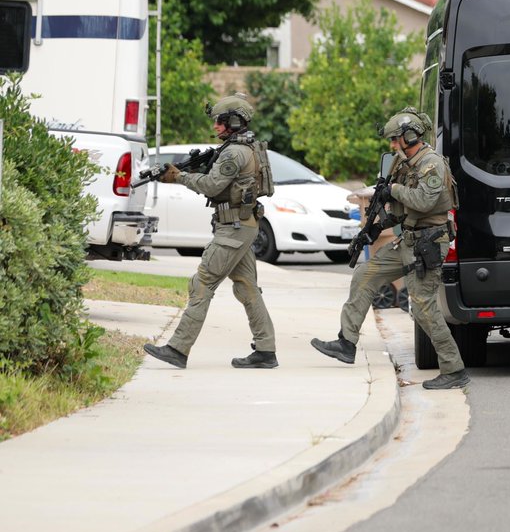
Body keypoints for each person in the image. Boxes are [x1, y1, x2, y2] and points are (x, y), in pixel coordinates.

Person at [311, 108, 468, 390]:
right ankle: (346, 343)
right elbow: (397, 208)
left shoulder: (431, 164)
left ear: (410, 136)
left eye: (396, 139)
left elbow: (421, 202)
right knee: (365, 275)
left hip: (428, 243)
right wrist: (371, 230)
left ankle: (453, 369)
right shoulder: (403, 163)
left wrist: (392, 191)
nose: (392, 145)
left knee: (423, 307)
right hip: (407, 239)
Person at [144, 94, 278, 369]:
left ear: (233, 121)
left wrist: (179, 177)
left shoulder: (234, 152)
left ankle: (178, 349)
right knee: (247, 288)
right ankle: (266, 350)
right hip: (242, 225)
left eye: (220, 121)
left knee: (202, 283)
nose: (215, 126)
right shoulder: (244, 147)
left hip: (234, 229)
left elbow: (212, 186)